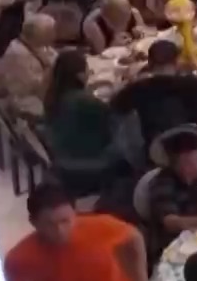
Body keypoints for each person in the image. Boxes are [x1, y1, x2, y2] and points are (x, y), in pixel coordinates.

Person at [4, 184, 153, 281]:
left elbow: (134, 236)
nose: (59, 231)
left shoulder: (100, 226)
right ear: (34, 223)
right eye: (49, 224)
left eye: (65, 221)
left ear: (74, 214)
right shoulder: (20, 257)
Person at [43, 50, 132, 196]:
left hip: (64, 157)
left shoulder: (55, 95)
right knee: (130, 145)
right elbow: (115, 113)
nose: (89, 72)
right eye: (87, 70)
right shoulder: (84, 101)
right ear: (79, 75)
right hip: (88, 163)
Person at [110, 40, 197, 143]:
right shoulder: (190, 84)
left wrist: (130, 80)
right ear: (177, 62)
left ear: (149, 63)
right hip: (192, 143)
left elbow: (115, 105)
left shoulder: (138, 88)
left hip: (155, 147)